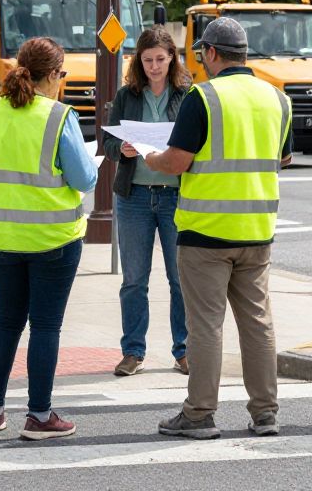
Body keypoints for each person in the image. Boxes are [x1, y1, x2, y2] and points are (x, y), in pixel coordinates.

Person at [143, 17, 292, 440]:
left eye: (201, 54)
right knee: (258, 323)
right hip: (257, 230)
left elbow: (177, 161)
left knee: (206, 326)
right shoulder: (277, 98)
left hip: (205, 232)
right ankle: (265, 413)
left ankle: (199, 415)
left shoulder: (203, 97)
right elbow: (283, 158)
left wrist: (151, 157)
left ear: (211, 53)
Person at [0, 36, 97, 440]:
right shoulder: (58, 116)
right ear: (54, 75)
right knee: (45, 326)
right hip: (53, 238)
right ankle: (39, 415)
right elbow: (85, 179)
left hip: (3, 236)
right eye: (63, 73)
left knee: (6, 321)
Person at [103, 26, 190, 377]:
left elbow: (197, 142)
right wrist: (121, 149)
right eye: (147, 60)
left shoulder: (186, 94)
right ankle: (133, 352)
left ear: (172, 59)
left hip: (175, 195)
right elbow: (109, 144)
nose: (154, 66)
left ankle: (184, 350)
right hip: (135, 196)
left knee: (180, 279)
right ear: (138, 61)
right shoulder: (127, 95)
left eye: (160, 59)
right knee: (134, 280)